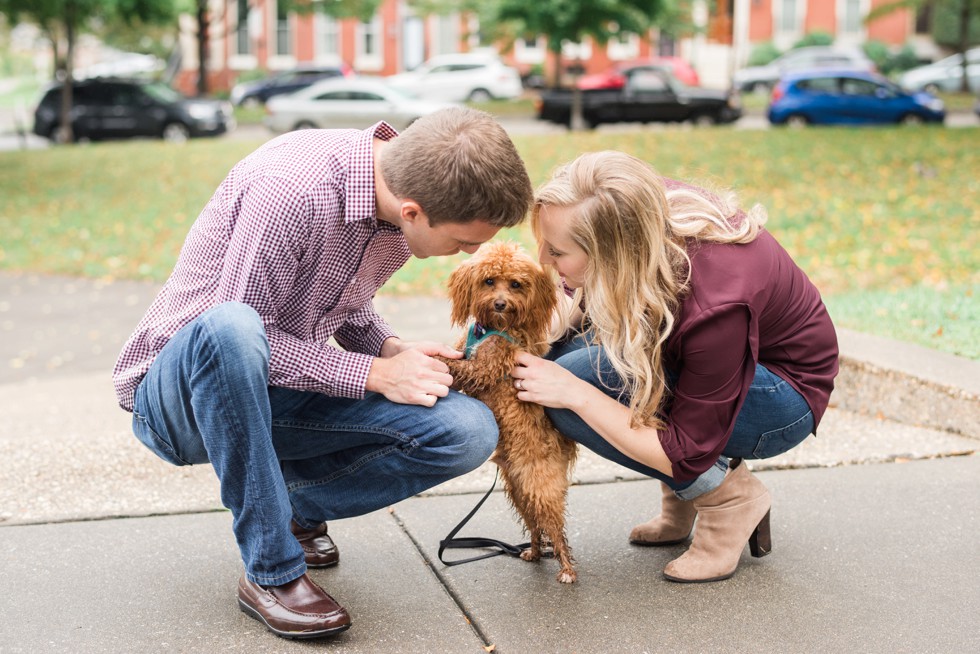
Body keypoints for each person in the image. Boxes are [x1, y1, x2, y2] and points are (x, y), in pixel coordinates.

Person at [112, 107, 533, 639]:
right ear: (413, 211)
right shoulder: (290, 192)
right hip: (185, 401)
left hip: (283, 393)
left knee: (466, 431)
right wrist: (376, 375)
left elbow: (346, 306)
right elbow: (244, 343)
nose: (470, 253)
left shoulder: (393, 202)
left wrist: (391, 348)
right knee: (231, 328)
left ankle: (286, 505)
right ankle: (271, 571)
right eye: (463, 242)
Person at [510, 150, 838, 583]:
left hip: (782, 395)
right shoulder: (626, 206)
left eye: (556, 251)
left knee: (576, 384)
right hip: (714, 358)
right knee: (553, 363)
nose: (544, 262)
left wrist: (575, 393)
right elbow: (588, 304)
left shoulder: (716, 305)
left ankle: (728, 502)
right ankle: (684, 497)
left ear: (612, 251)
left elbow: (686, 447)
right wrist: (544, 334)